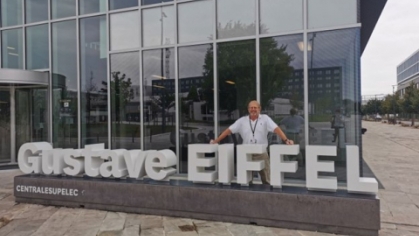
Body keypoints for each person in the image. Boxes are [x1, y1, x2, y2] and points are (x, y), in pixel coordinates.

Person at [210, 100, 293, 184]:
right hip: (246, 154)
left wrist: (286, 140)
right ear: (248, 109)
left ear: (259, 109)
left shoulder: (265, 119)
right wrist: (216, 141)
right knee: (246, 181)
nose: (253, 109)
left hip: (261, 154)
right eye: (251, 108)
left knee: (267, 180)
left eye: (255, 107)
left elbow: (277, 129)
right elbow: (228, 130)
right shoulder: (242, 121)